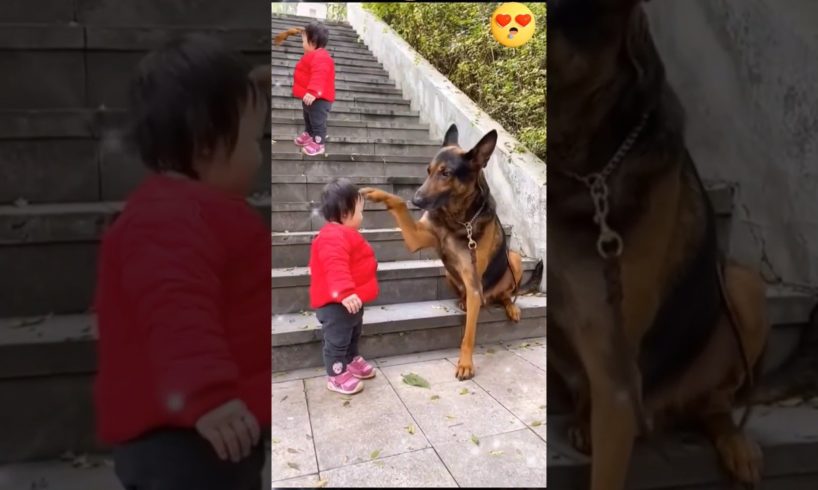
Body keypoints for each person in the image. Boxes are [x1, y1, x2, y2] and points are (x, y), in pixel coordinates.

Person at [93, 34, 270, 490]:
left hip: (212, 428)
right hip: (187, 440)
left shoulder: (186, 206)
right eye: (253, 139)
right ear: (209, 143)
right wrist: (210, 397)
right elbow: (176, 312)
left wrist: (238, 95)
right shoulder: (167, 219)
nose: (259, 155)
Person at [309, 178, 379, 394]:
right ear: (345, 212)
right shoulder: (332, 236)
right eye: (360, 211)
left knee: (353, 333)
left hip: (351, 301)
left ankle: (350, 360)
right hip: (336, 303)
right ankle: (336, 373)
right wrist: (345, 292)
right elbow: (335, 265)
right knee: (337, 340)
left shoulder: (344, 234)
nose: (362, 216)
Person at [292, 21, 336, 156]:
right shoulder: (312, 55)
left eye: (304, 40)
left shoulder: (321, 56)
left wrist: (313, 91)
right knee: (308, 116)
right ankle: (309, 134)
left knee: (317, 121)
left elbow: (320, 74)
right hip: (309, 97)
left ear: (312, 41)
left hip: (319, 98)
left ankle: (319, 142)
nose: (302, 43)